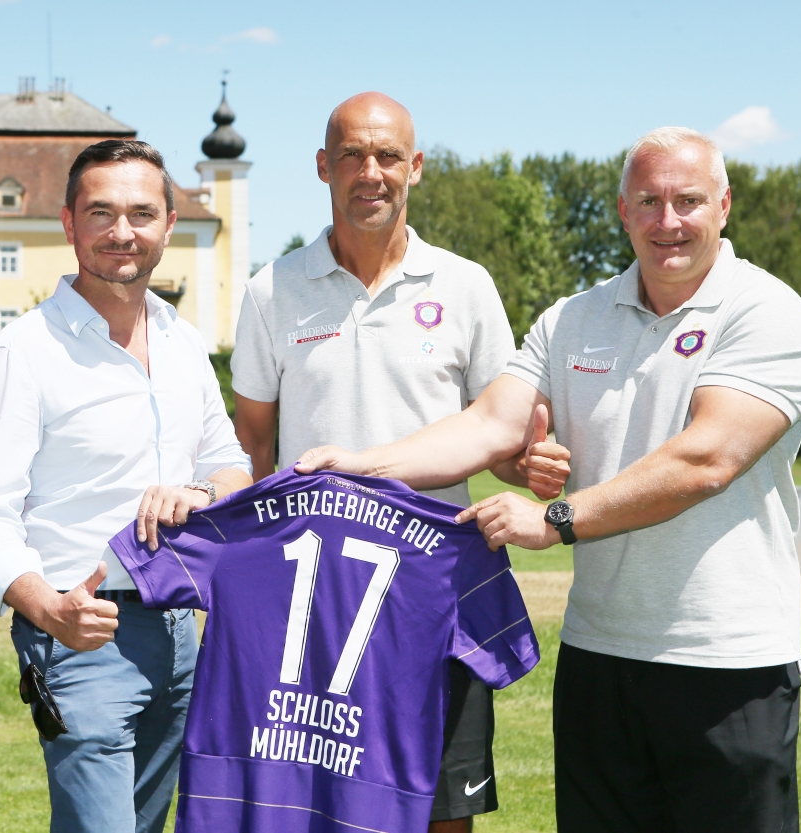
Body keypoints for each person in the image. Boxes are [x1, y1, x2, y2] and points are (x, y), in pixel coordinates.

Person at [298, 127, 801, 833]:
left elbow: (706, 459)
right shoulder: (573, 319)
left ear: (723, 206)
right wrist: (364, 463)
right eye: (649, 201)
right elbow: (489, 424)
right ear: (622, 211)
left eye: (688, 201)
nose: (668, 221)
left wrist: (556, 519)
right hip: (598, 655)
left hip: (727, 660)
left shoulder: (766, 310)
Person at [231, 92, 566, 833]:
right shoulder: (271, 289)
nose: (370, 172)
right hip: (315, 594)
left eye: (387, 156)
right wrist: (245, 578)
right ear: (323, 166)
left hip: (434, 588)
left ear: (415, 166)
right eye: (352, 155)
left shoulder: (466, 285)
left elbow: (495, 434)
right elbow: (251, 445)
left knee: (444, 805)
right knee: (316, 803)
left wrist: (528, 466)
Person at [0, 139, 253, 833]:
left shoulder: (184, 342)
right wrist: (50, 610)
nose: (123, 231)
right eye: (101, 213)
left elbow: (232, 464)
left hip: (182, 632)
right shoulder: (23, 351)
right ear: (69, 223)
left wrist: (202, 494)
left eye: (141, 213)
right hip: (80, 631)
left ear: (169, 226)